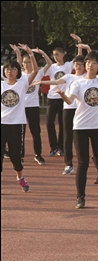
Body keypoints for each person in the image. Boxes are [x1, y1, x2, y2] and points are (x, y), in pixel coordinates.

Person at [56, 36, 98, 209]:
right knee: (83, 163)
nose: (91, 65)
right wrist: (62, 94)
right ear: (85, 64)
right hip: (81, 127)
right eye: (89, 62)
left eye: (95, 63)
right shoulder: (78, 82)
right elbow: (69, 101)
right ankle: (80, 197)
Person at [1, 43, 38, 192]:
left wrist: (30, 53)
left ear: (18, 72)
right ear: (4, 71)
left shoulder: (23, 83)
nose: (10, 71)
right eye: (7, 69)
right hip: (1, 123)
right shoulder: (1, 85)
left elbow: (35, 70)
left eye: (13, 69)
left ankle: (20, 177)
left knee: (16, 157)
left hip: (16, 124)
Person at [45, 33, 79, 157]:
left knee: (62, 124)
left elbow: (79, 57)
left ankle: (60, 147)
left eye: (57, 54)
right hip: (52, 97)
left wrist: (78, 43)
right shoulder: (51, 67)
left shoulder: (68, 65)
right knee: (49, 123)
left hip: (64, 98)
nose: (55, 57)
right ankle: (53, 147)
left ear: (63, 54)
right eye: (54, 55)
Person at [18, 47, 52, 166]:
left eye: (29, 62)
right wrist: (18, 52)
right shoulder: (19, 75)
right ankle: (20, 156)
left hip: (33, 106)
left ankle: (38, 154)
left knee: (35, 131)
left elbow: (49, 63)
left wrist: (41, 52)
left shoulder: (37, 73)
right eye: (25, 62)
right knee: (20, 132)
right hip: (20, 107)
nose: (27, 64)